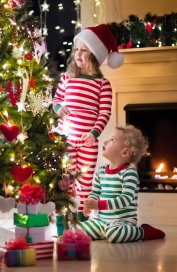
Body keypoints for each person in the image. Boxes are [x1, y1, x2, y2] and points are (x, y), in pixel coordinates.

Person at [53, 24, 124, 221]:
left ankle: (83, 216)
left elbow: (104, 113)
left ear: (95, 55)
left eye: (84, 50)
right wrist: (59, 109)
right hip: (66, 138)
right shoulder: (67, 78)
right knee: (65, 177)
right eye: (77, 49)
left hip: (88, 142)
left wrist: (94, 133)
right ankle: (62, 214)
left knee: (84, 180)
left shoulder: (102, 84)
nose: (78, 54)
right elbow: (56, 100)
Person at [75, 125, 166, 243]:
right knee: (75, 230)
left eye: (112, 140)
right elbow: (95, 193)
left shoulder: (129, 173)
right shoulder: (101, 171)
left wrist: (98, 205)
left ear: (125, 152)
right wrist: (89, 205)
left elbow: (125, 200)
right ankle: (103, 232)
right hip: (101, 221)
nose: (106, 141)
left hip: (123, 222)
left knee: (114, 235)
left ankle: (143, 231)